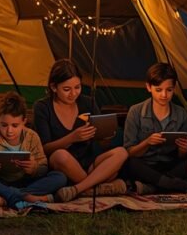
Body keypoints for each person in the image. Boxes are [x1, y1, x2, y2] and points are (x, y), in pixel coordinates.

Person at [34, 59, 130, 203]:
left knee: (121, 152)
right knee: (60, 155)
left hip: (90, 165)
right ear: (54, 87)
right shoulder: (42, 107)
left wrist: (106, 137)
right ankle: (95, 186)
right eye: (66, 89)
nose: (73, 94)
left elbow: (102, 144)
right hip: (63, 166)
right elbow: (44, 149)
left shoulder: (88, 102)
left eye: (77, 87)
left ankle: (79, 189)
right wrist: (72, 138)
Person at [0, 92, 67, 209]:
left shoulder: (32, 136)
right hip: (0, 182)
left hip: (26, 182)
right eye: (4, 125)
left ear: (24, 122)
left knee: (59, 177)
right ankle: (27, 198)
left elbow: (43, 167)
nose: (9, 131)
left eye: (15, 125)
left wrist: (34, 168)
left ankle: (7, 198)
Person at [122, 62, 187, 194]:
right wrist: (147, 142)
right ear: (149, 87)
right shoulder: (135, 111)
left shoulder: (182, 114)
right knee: (129, 162)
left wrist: (183, 150)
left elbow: (181, 156)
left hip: (169, 167)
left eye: (169, 90)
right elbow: (129, 151)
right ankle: (174, 185)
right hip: (145, 165)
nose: (164, 95)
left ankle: (153, 186)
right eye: (158, 90)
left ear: (174, 89)